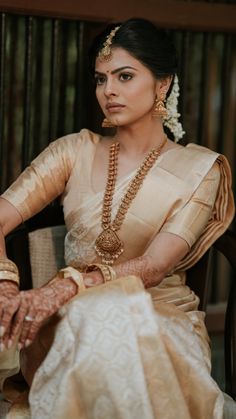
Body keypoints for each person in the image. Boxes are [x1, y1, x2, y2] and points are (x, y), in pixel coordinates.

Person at [0, 18, 234, 419]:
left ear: (163, 84)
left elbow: (156, 265)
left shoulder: (200, 168)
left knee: (109, 331)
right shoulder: (72, 151)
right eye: (100, 79)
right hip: (68, 321)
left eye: (125, 76)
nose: (108, 91)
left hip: (159, 321)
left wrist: (65, 287)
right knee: (89, 324)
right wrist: (6, 285)